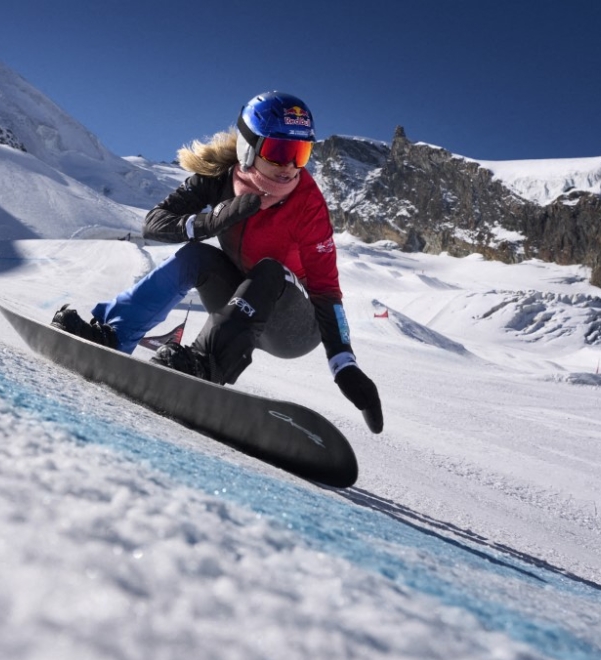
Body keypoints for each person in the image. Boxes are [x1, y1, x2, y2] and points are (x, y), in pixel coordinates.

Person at [53, 91, 383, 433]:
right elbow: (155, 222)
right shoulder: (221, 178)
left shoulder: (307, 203)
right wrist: (209, 222)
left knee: (270, 268)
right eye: (279, 151)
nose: (289, 167)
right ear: (249, 148)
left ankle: (205, 364)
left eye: (300, 153)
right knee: (196, 256)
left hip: (294, 326)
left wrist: (344, 363)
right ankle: (114, 335)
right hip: (238, 299)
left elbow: (326, 289)